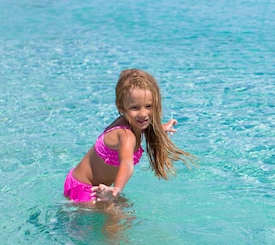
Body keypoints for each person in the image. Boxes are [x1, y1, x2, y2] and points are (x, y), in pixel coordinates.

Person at [64, 69, 193, 204]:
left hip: (87, 184)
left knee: (127, 212)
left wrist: (160, 128)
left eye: (148, 106)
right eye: (135, 108)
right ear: (121, 107)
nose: (143, 114)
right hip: (84, 190)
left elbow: (144, 127)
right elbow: (126, 165)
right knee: (117, 219)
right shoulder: (126, 136)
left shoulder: (133, 124)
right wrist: (116, 191)